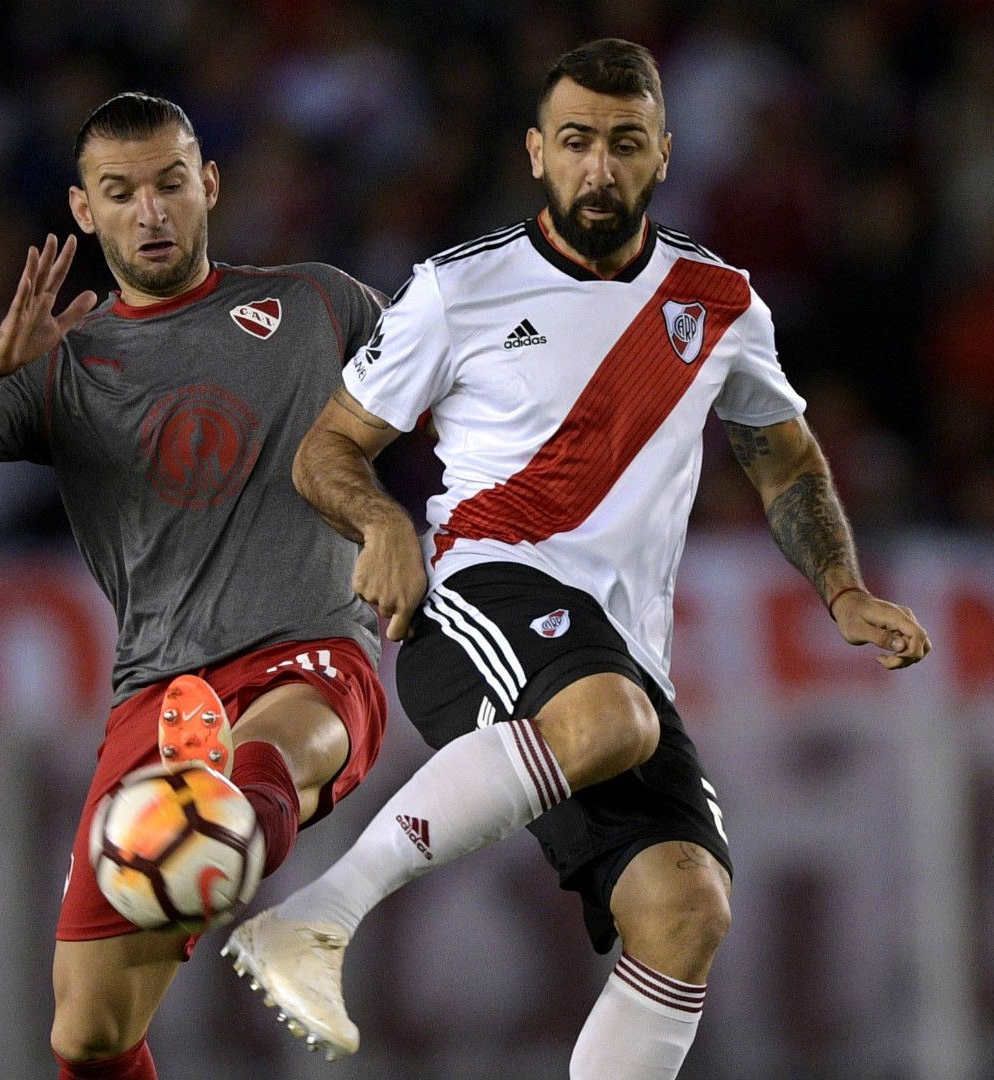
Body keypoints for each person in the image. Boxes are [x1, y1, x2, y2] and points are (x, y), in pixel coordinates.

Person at [224, 39, 932, 1077]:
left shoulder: (720, 302)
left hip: (614, 655)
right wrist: (380, 525)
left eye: (624, 143)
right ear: (535, 153)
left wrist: (844, 589)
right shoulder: (456, 291)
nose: (598, 167)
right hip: (475, 601)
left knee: (685, 908)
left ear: (663, 155)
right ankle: (315, 917)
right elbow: (327, 447)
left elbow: (784, 458)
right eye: (576, 142)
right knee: (610, 718)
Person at [0, 93, 390, 1080]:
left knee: (280, 745)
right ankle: (215, 792)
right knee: (89, 1035)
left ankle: (237, 808)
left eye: (168, 184)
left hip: (310, 648)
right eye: (121, 193)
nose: (149, 211)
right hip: (157, 692)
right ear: (83, 209)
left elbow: (460, 406)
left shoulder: (323, 304)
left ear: (209, 187)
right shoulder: (59, 363)